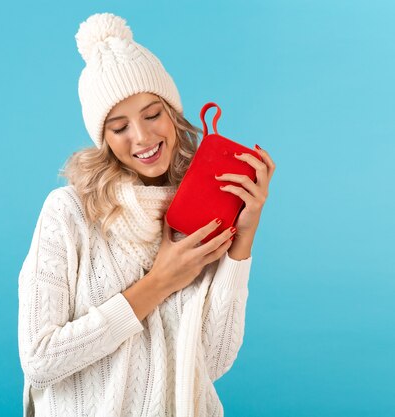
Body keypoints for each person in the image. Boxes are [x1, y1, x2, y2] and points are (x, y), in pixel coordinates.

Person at [17, 12, 275, 417]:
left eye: (153, 115)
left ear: (173, 114)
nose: (142, 137)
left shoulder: (198, 208)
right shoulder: (68, 212)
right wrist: (159, 283)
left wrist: (244, 237)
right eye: (119, 127)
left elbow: (214, 360)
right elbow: (40, 359)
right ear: (102, 138)